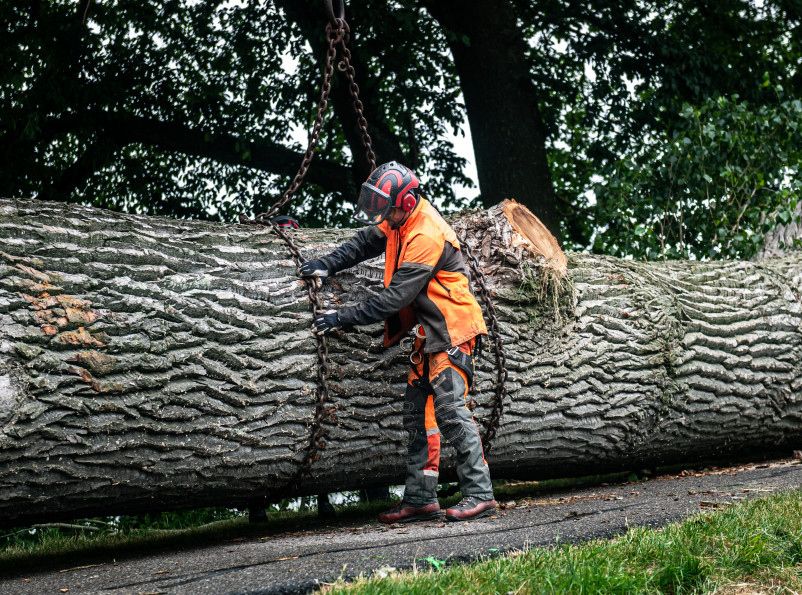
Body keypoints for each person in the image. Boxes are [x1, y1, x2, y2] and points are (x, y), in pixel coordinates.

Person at [297, 161, 496, 523]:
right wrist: (327, 264)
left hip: (453, 331)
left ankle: (480, 493)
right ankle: (420, 498)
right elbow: (363, 242)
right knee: (418, 417)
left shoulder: (426, 234)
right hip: (429, 333)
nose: (382, 216)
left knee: (450, 411)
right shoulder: (399, 221)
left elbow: (393, 300)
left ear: (404, 202)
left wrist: (340, 318)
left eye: (386, 207)